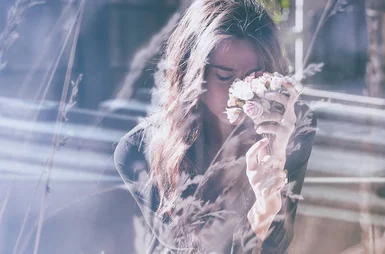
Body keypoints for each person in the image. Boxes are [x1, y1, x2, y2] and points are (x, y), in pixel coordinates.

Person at [113, 1, 317, 253]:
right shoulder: (139, 151)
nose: (241, 94)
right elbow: (194, 247)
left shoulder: (292, 124)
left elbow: (275, 245)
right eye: (224, 76)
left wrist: (272, 180)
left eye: (255, 77)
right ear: (191, 75)